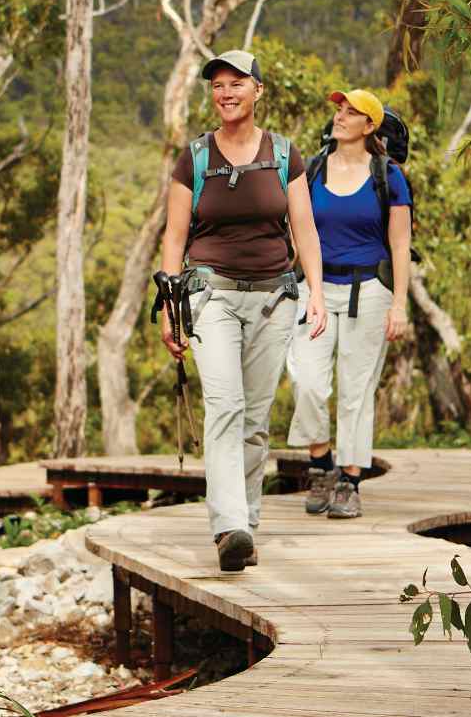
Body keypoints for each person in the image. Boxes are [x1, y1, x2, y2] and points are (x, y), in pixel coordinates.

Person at [157, 49, 328, 572]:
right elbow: (175, 235)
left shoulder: (284, 155)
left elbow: (304, 229)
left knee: (255, 420)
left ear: (258, 90)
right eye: (217, 86)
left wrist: (316, 293)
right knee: (225, 407)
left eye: (237, 83)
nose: (226, 93)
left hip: (275, 299)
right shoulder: (195, 158)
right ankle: (227, 525)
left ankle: (246, 525)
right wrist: (169, 306)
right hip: (211, 296)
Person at [288, 88, 411, 520]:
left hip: (370, 292)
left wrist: (400, 305)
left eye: (351, 112)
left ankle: (349, 480)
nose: (340, 116)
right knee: (307, 379)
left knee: (356, 391)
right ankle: (320, 463)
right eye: (339, 110)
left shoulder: (389, 175)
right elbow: (296, 230)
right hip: (315, 289)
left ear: (370, 125)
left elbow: (400, 246)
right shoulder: (314, 168)